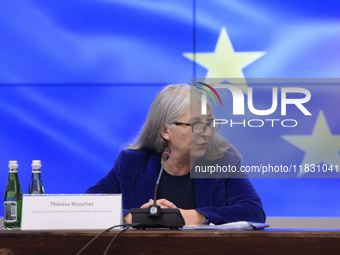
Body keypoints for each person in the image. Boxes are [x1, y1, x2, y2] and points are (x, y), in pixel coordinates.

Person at [85, 84, 265, 225]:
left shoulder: (222, 161)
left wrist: (195, 217)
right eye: (195, 124)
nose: (207, 132)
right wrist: (132, 217)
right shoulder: (132, 163)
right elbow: (88, 207)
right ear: (165, 131)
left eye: (209, 123)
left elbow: (254, 211)